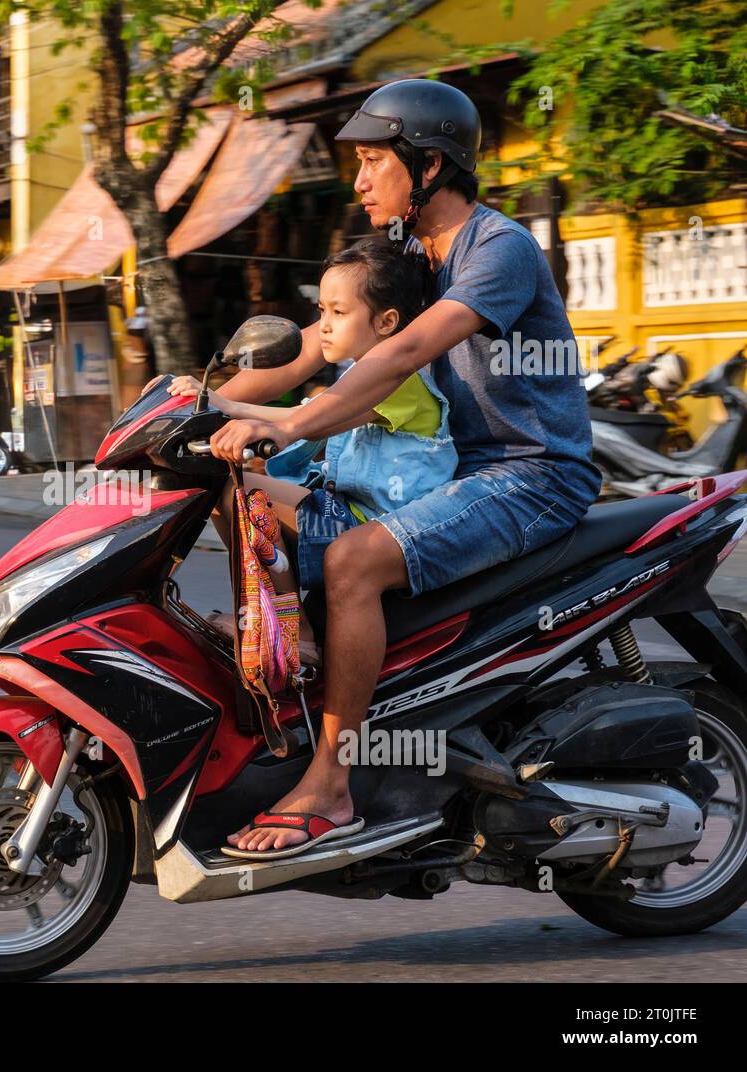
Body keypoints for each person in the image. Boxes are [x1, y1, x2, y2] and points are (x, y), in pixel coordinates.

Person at [179, 78, 601, 859]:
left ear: (431, 167)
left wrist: (300, 420)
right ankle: (291, 649)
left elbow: (406, 349)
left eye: (375, 162)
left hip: (530, 475)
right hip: (459, 472)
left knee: (352, 559)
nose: (361, 180)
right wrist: (192, 402)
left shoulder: (496, 247)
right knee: (232, 491)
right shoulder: (407, 252)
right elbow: (313, 343)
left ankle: (332, 786)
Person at [199, 242, 458, 620]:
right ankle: (263, 614)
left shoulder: (400, 382)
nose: (323, 326)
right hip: (345, 511)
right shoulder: (356, 376)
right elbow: (309, 419)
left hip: (374, 529)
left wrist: (222, 404)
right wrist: (213, 405)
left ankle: (290, 630)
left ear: (386, 322)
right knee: (230, 492)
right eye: (322, 310)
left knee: (241, 492)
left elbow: (309, 419)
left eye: (339, 312)